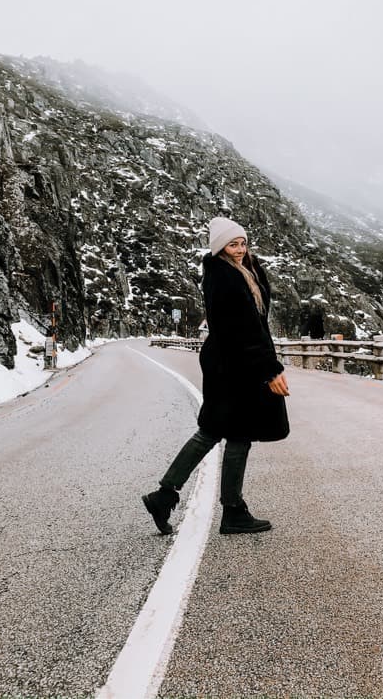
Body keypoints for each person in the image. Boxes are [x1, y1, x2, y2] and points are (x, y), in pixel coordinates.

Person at [142, 216, 290, 535]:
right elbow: (246, 329)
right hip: (234, 364)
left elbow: (254, 325)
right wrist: (270, 369)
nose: (239, 249)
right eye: (232, 244)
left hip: (233, 361)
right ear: (220, 247)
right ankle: (231, 510)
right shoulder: (223, 277)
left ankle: (165, 496)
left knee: (217, 430)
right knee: (230, 433)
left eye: (242, 243)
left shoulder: (243, 270)